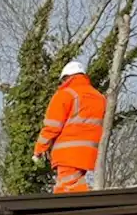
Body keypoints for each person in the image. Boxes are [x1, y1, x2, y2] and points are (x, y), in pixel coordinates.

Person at [34, 61, 106, 194]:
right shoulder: (99, 97)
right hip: (89, 153)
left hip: (67, 153)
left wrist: (39, 149)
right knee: (69, 186)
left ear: (66, 78)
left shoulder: (65, 95)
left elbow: (52, 126)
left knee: (67, 191)